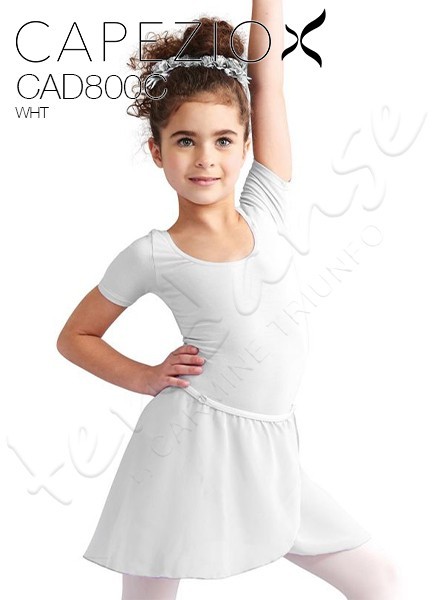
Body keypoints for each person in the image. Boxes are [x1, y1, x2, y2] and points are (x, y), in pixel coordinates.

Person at [56, 3, 404, 599]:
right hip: (187, 439)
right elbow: (75, 336)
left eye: (222, 140)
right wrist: (144, 376)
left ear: (246, 145)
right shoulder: (151, 254)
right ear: (157, 151)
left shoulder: (266, 206)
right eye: (184, 141)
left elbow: (268, 82)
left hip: (268, 447)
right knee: (150, 589)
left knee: (378, 577)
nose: (205, 158)